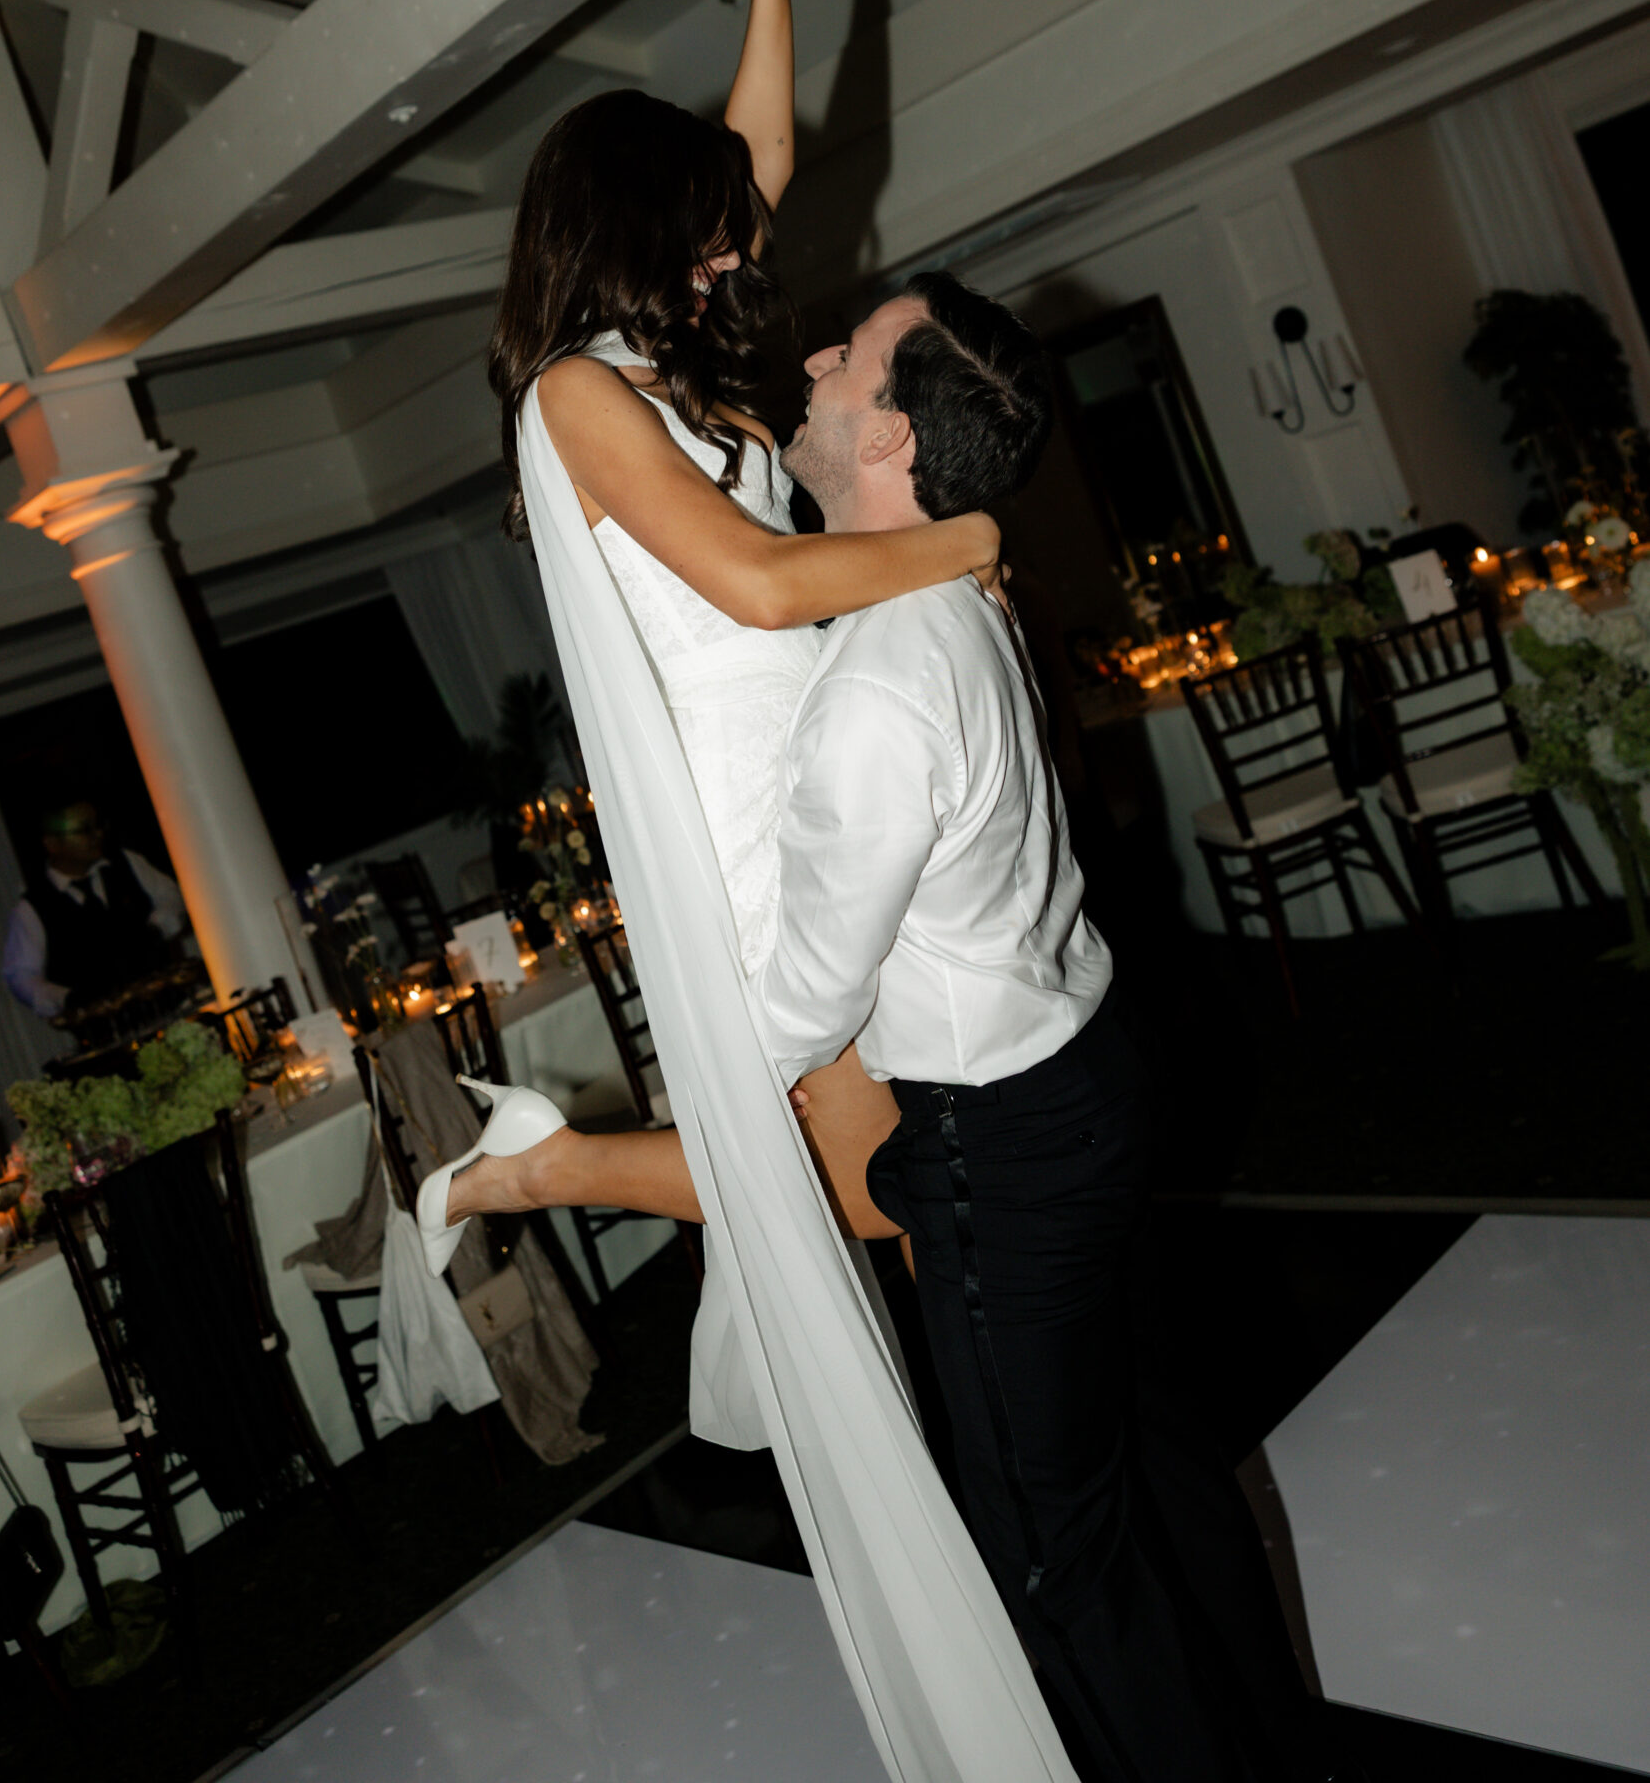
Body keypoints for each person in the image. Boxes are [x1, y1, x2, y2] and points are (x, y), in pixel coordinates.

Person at [448, 279, 1337, 1783]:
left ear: (893, 436)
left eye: (846, 354)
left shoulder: (872, 683)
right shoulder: (950, 605)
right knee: (1160, 1469)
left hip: (1007, 1145)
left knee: (1058, 1558)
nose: (809, 353)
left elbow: (807, 1000)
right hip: (1097, 1074)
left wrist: (721, 1059)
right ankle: (1273, 1748)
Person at [433, 0, 1080, 1783]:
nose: (745, 242)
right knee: (861, 1174)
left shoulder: (673, 365)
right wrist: (961, 545)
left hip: (821, 779)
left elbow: (767, 151)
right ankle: (540, 1178)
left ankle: (543, 1171)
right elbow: (764, 583)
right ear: (631, 229)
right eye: (707, 225)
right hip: (745, 823)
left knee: (857, 1179)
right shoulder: (576, 395)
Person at [3, 797, 185, 1018]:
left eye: (98, 826)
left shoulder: (126, 863)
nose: (96, 835)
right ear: (52, 843)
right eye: (83, 830)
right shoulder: (33, 908)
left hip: (169, 1004)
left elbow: (171, 896)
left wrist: (158, 926)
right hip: (106, 1024)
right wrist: (65, 998)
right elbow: (21, 975)